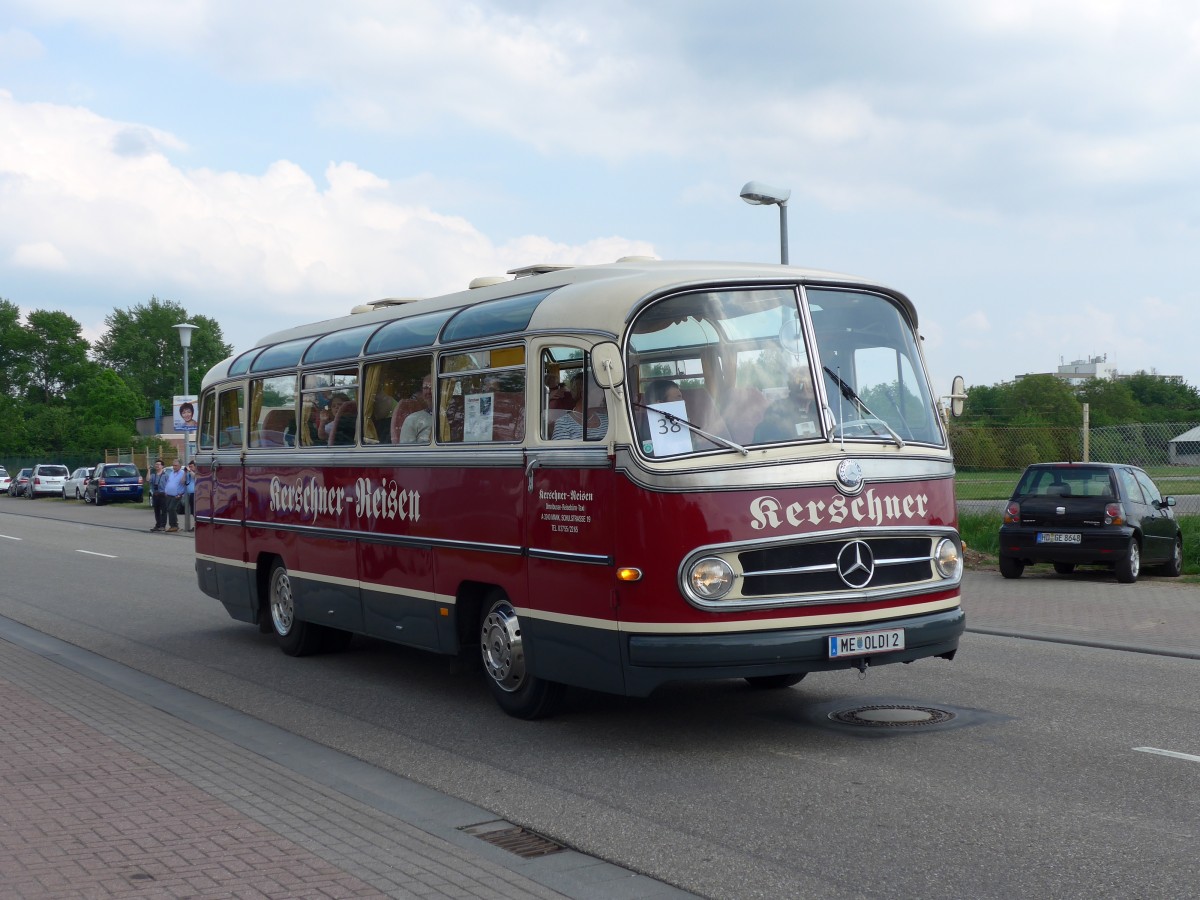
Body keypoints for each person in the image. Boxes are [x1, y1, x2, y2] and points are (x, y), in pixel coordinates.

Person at [754, 366, 820, 442]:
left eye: (811, 382)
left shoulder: (821, 410)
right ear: (791, 385)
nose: (807, 386)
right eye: (801, 381)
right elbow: (766, 443)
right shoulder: (777, 409)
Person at [552, 371, 608, 440]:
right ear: (584, 394)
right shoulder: (563, 424)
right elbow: (561, 451)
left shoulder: (606, 419)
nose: (603, 396)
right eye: (598, 391)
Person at [398, 375, 434, 443]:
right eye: (425, 388)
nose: (429, 392)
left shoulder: (454, 417)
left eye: (433, 387)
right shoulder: (413, 419)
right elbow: (406, 451)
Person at [161, 458, 188, 533]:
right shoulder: (172, 473)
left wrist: (181, 494)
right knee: (169, 509)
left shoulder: (182, 473)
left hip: (177, 495)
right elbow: (169, 482)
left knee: (171, 508)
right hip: (169, 494)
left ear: (180, 466)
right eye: (173, 465)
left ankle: (174, 525)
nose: (174, 467)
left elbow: (184, 484)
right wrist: (166, 490)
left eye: (176, 465)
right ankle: (173, 525)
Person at [148, 460, 168, 532]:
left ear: (162, 466)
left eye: (158, 464)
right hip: (155, 494)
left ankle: (163, 525)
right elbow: (148, 479)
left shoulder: (165, 475)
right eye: (156, 464)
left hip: (163, 494)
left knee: (164, 511)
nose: (157, 466)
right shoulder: (153, 475)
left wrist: (167, 492)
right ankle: (158, 525)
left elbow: (168, 485)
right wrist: (149, 470)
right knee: (156, 511)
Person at [182, 461, 196, 530]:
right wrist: (185, 473)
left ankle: (196, 525)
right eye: (189, 466)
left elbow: (195, 477)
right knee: (193, 511)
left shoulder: (197, 473)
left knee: (195, 511)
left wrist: (190, 471)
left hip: (196, 494)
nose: (190, 468)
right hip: (190, 494)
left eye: (191, 466)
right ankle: (195, 525)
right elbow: (182, 481)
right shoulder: (188, 474)